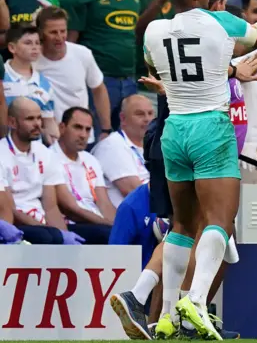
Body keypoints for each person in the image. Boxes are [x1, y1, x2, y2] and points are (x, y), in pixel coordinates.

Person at [143, 0, 257, 340]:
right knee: (220, 220)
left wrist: (228, 67)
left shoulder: (154, 30)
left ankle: (168, 313)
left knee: (182, 226)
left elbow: (158, 67)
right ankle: (198, 300)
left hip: (174, 130)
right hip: (211, 126)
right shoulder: (221, 21)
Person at [63, 0, 142, 128]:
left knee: (128, 144)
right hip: (98, 82)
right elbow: (70, 42)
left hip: (130, 80)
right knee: (99, 138)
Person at [0, 97, 85, 244]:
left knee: (102, 234)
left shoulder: (45, 153)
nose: (37, 124)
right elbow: (10, 210)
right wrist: (54, 233)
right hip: (17, 225)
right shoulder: (2, 153)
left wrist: (62, 234)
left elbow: (51, 207)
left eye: (39, 118)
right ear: (12, 122)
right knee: (48, 237)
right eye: (30, 119)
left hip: (42, 223)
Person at [33, 6, 112, 142]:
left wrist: (106, 129)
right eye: (53, 32)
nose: (59, 37)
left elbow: (98, 89)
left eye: (63, 31)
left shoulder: (82, 54)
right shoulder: (32, 59)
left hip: (81, 137)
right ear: (40, 33)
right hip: (46, 138)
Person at [49, 106, 114, 244]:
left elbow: (104, 203)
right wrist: (108, 225)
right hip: (71, 223)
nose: (83, 135)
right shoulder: (49, 157)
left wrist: (118, 227)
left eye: (88, 129)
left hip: (98, 223)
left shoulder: (90, 159)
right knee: (106, 234)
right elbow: (71, 209)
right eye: (77, 127)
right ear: (62, 128)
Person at [91, 94, 153, 208]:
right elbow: (135, 192)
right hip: (130, 220)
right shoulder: (112, 145)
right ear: (123, 118)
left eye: (150, 113)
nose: (147, 119)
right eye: (140, 114)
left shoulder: (150, 146)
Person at [3, 23, 58, 144]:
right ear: (12, 48)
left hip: (33, 151)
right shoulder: (2, 75)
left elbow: (48, 122)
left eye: (37, 43)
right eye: (28, 43)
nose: (35, 47)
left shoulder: (44, 84)